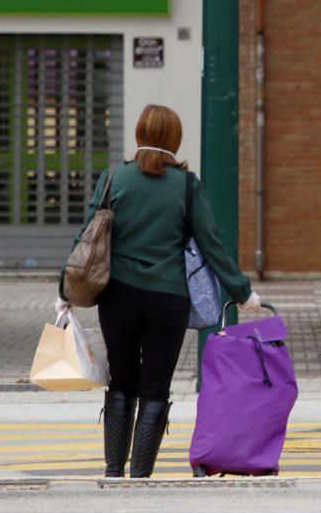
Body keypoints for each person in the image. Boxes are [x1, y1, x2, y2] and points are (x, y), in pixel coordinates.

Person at [56, 103, 262, 478]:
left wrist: (65, 288)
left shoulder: (114, 177)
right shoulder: (186, 185)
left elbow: (85, 237)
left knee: (121, 378)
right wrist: (242, 291)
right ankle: (141, 475)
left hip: (117, 296)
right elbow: (212, 244)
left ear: (139, 133)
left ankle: (114, 469)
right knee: (155, 384)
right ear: (175, 139)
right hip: (169, 299)